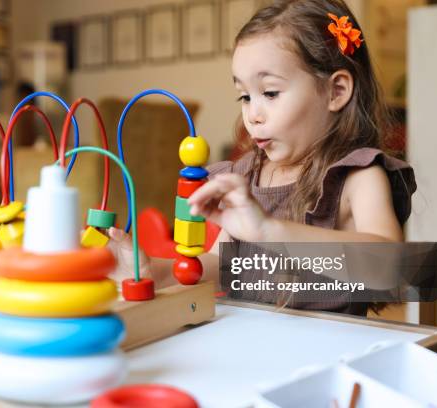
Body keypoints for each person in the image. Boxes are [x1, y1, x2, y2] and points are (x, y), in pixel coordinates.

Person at [107, 0, 416, 316]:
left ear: (336, 91)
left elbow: (389, 269)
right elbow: (219, 268)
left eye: (270, 93)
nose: (252, 114)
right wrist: (150, 271)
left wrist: (270, 231)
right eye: (245, 96)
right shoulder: (246, 176)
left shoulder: (357, 176)